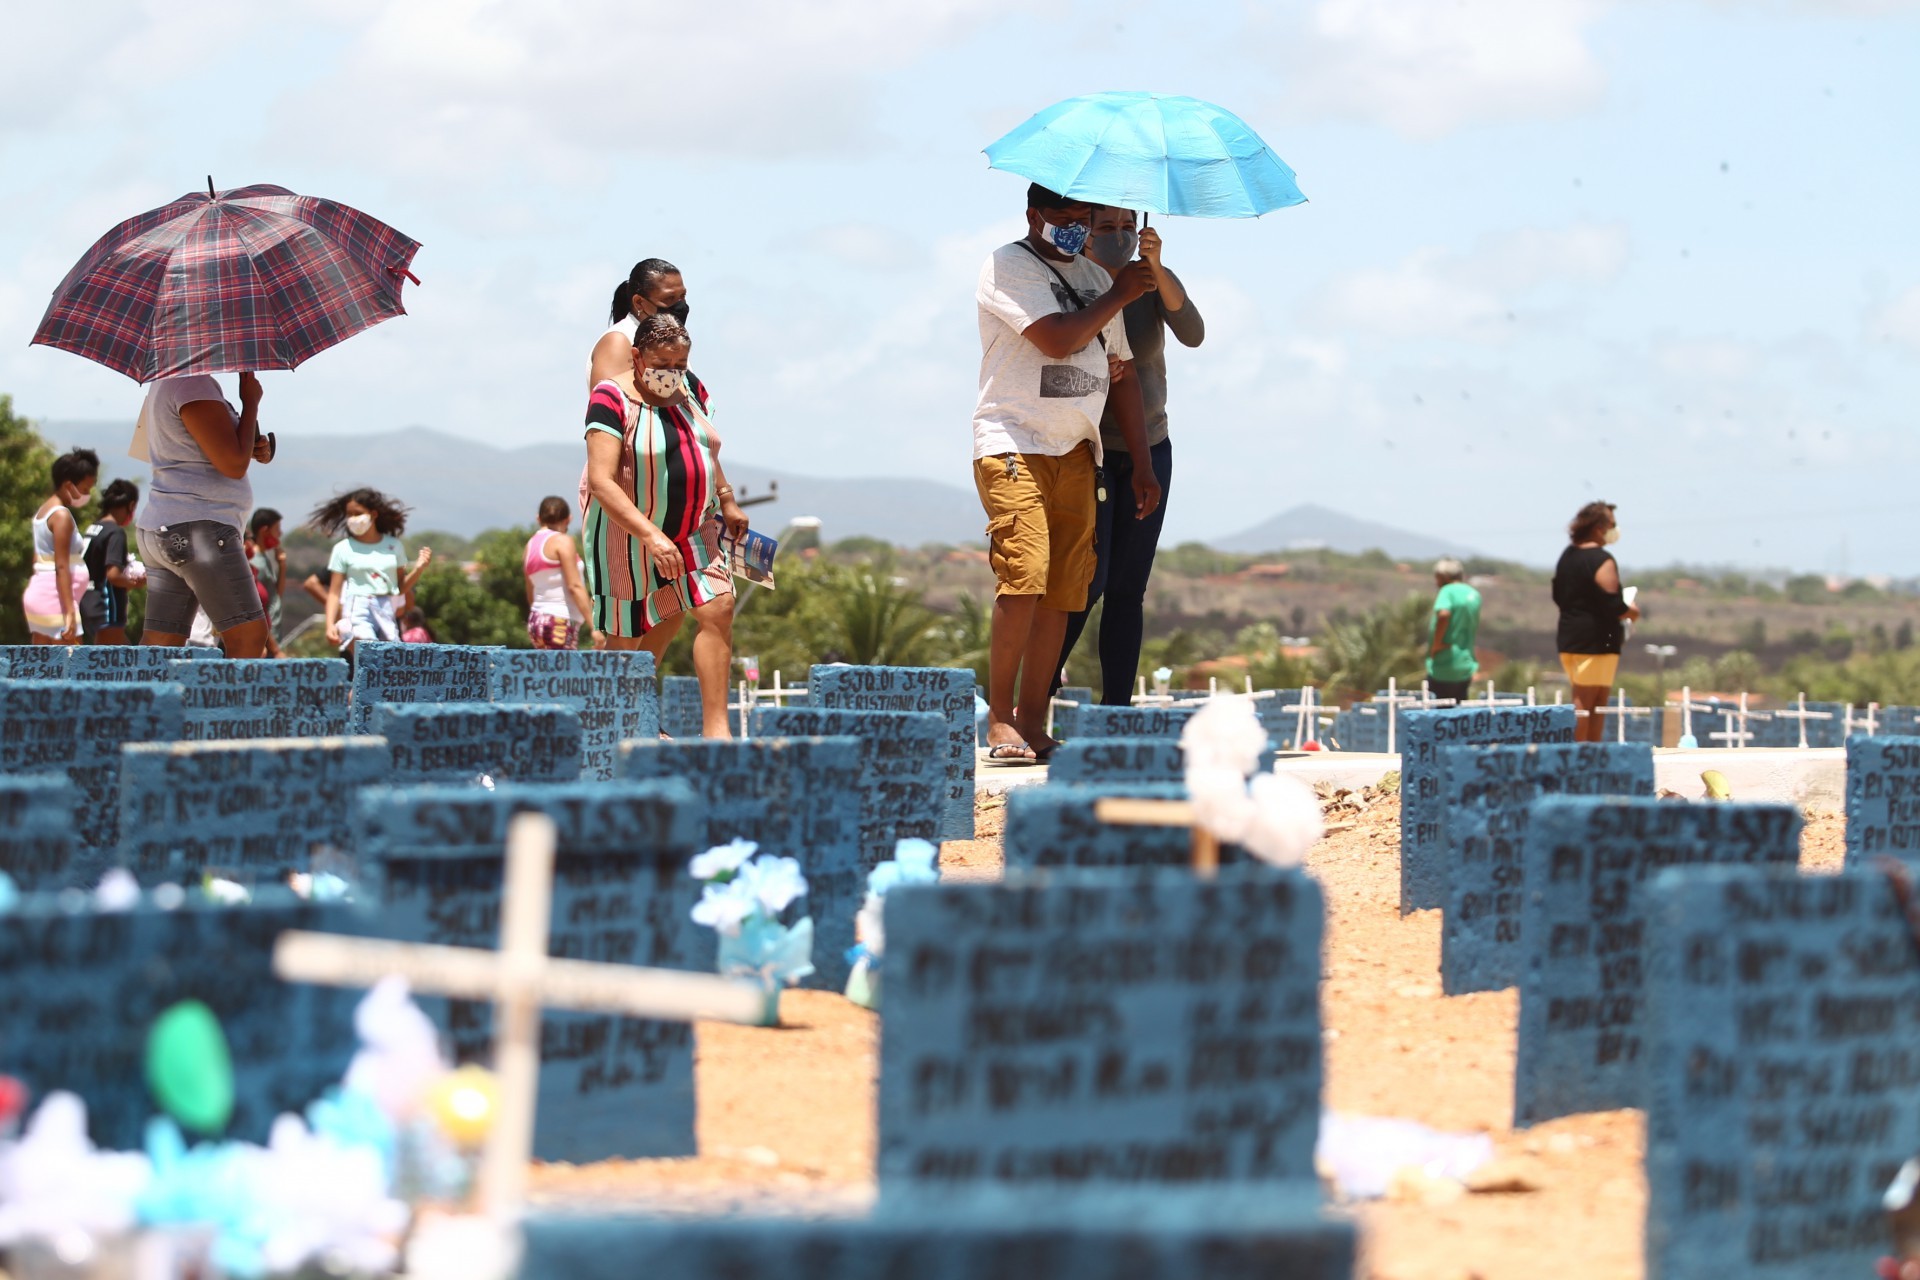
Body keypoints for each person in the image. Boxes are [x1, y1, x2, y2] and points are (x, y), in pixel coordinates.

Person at [972, 183, 1162, 763]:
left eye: (1085, 217)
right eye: (1066, 217)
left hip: (1078, 449)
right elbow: (1055, 340)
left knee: (1063, 590)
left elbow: (1123, 375)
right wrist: (1120, 293)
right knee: (1024, 574)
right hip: (1013, 442)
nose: (1077, 228)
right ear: (1035, 216)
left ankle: (1034, 719)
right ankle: (999, 718)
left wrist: (1143, 464)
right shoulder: (1009, 266)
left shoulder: (1098, 278)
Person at [1053, 206, 1202, 705]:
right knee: (1085, 583)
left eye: (1126, 227)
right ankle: (1042, 693)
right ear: (1085, 235)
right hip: (1089, 449)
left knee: (1126, 589)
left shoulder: (1149, 280)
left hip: (1150, 448)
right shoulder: (1073, 283)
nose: (1118, 237)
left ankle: (1116, 708)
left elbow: (1193, 332)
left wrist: (1155, 268)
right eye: (1106, 228)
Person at [582, 314, 746, 737]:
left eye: (680, 363)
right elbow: (601, 479)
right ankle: (622, 730)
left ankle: (717, 732)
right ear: (637, 356)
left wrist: (727, 499)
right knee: (627, 639)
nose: (672, 372)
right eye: (663, 362)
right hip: (628, 536)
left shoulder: (689, 391)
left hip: (695, 531)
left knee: (719, 607)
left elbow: (705, 449)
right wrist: (650, 535)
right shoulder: (611, 397)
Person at [133, 374, 273, 656]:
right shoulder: (193, 384)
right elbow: (233, 464)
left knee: (160, 645)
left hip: (165, 528)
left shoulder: (167, 380)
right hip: (198, 529)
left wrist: (256, 446)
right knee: (249, 635)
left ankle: (141, 699)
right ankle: (228, 702)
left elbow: (196, 448)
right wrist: (251, 403)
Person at [1553, 501, 1638, 743]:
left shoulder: (1567, 557)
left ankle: (1591, 752)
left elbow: (1559, 596)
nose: (1615, 529)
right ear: (1599, 527)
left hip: (1569, 638)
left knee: (1596, 700)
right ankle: (1580, 754)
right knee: (1587, 703)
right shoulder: (1601, 560)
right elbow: (1614, 604)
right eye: (1612, 524)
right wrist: (1632, 611)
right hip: (1596, 643)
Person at [310, 489, 432, 655]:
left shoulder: (393, 546)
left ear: (373, 514)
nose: (353, 519)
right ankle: (347, 628)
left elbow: (400, 588)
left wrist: (419, 568)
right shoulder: (343, 549)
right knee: (369, 651)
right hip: (357, 605)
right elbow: (334, 593)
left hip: (385, 606)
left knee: (389, 656)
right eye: (349, 514)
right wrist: (330, 624)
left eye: (358, 513)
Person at [22, 449, 98, 644]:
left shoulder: (44, 511)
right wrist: (69, 611)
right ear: (68, 485)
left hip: (44, 596)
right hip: (56, 600)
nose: (87, 495)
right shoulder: (61, 516)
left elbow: (37, 558)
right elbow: (61, 566)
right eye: (85, 489)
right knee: (72, 665)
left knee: (42, 667)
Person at [525, 495, 595, 650]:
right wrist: (593, 626)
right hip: (559, 621)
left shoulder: (530, 546)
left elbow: (531, 591)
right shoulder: (562, 541)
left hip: (536, 620)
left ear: (538, 518)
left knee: (546, 673)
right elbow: (574, 586)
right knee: (565, 673)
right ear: (568, 519)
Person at [79, 479, 143, 644]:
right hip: (106, 605)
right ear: (130, 505)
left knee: (119, 652)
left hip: (87, 600)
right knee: (114, 661)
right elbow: (113, 575)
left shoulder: (94, 528)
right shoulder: (116, 533)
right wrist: (135, 582)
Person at [1425, 558, 1481, 703]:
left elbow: (1443, 614)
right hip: (1465, 664)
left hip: (1444, 664)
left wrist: (1436, 645)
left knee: (1437, 713)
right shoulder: (1474, 595)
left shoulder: (1447, 591)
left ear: (1444, 577)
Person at [247, 509, 289, 641]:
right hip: (264, 639)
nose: (280, 533)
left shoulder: (265, 558)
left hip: (273, 634)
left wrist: (282, 566)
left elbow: (276, 595)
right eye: (277, 529)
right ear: (264, 530)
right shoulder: (255, 561)